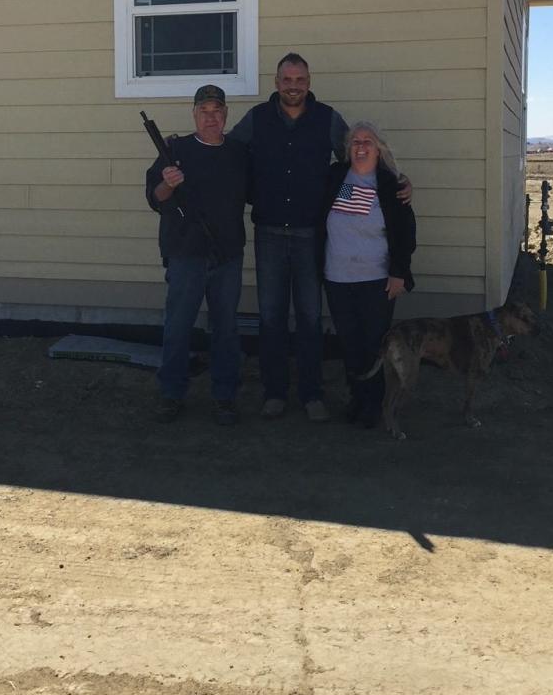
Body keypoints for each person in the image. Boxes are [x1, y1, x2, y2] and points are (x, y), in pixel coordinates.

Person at [230, 53, 411, 421]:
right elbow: (229, 155)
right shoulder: (257, 119)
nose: (293, 86)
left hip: (312, 235)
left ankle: (312, 394)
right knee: (271, 317)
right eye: (286, 79)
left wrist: (397, 183)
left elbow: (357, 160)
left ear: (308, 83)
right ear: (276, 81)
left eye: (299, 80)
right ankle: (275, 393)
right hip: (268, 233)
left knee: (311, 317)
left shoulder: (328, 119)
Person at [145, 85, 249, 426]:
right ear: (194, 114)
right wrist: (169, 183)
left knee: (226, 329)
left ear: (226, 115)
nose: (211, 117)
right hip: (185, 254)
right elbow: (155, 198)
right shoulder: (175, 150)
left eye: (217, 111)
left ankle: (225, 396)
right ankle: (171, 393)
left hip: (228, 256)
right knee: (177, 327)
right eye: (204, 111)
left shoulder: (238, 153)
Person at [319, 121, 416, 429]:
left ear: (379, 149)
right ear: (348, 149)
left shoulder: (390, 186)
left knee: (374, 344)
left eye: (368, 142)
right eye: (355, 142)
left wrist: (399, 273)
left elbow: (405, 235)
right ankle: (357, 398)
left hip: (376, 279)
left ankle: (374, 404)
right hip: (337, 277)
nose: (361, 147)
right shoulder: (336, 179)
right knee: (349, 343)